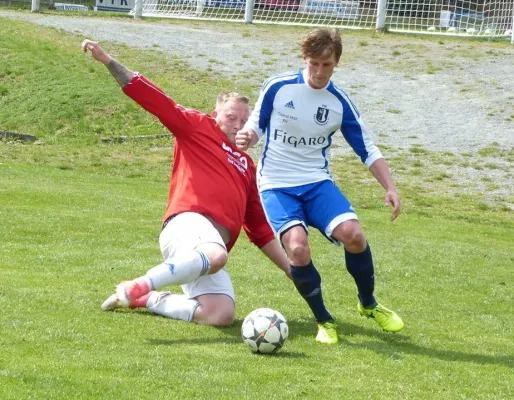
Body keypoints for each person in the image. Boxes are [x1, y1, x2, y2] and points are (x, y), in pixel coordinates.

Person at [81, 39, 291, 326]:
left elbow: (260, 231)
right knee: (216, 255)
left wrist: (293, 270)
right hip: (187, 227)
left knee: (220, 315)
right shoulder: (197, 126)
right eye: (232, 117)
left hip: (204, 250)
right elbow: (156, 100)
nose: (238, 124)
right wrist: (109, 61)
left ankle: (145, 299)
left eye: (245, 120)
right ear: (216, 113)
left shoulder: (247, 165)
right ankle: (140, 285)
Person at [235, 28, 404, 344]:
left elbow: (367, 148)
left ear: (336, 63)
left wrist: (390, 186)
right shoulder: (278, 87)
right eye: (313, 63)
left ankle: (368, 304)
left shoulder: (339, 102)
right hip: (276, 184)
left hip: (316, 182)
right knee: (297, 247)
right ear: (304, 59)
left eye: (326, 65)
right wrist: (247, 137)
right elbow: (255, 127)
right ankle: (324, 321)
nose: (318, 71)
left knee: (354, 235)